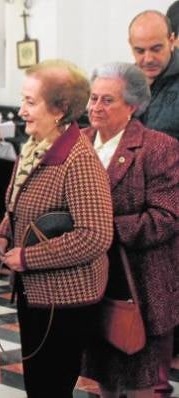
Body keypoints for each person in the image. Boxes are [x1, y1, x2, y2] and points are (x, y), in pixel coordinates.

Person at [0, 60, 113, 397]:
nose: (21, 110)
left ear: (59, 109)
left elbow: (95, 235)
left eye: (30, 102)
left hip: (65, 300)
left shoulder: (79, 160)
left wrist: (29, 257)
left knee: (50, 387)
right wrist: (4, 232)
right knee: (39, 384)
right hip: (37, 293)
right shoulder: (35, 147)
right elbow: (19, 204)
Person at [81, 62, 179, 398]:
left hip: (140, 284)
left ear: (133, 106)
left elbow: (166, 218)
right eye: (93, 98)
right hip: (93, 283)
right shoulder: (77, 143)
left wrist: (99, 229)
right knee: (104, 378)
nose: (95, 108)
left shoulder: (158, 147)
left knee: (142, 385)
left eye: (107, 100)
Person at [128, 10, 179, 140]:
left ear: (171, 41)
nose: (148, 59)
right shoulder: (123, 81)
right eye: (140, 51)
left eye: (156, 49)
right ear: (130, 45)